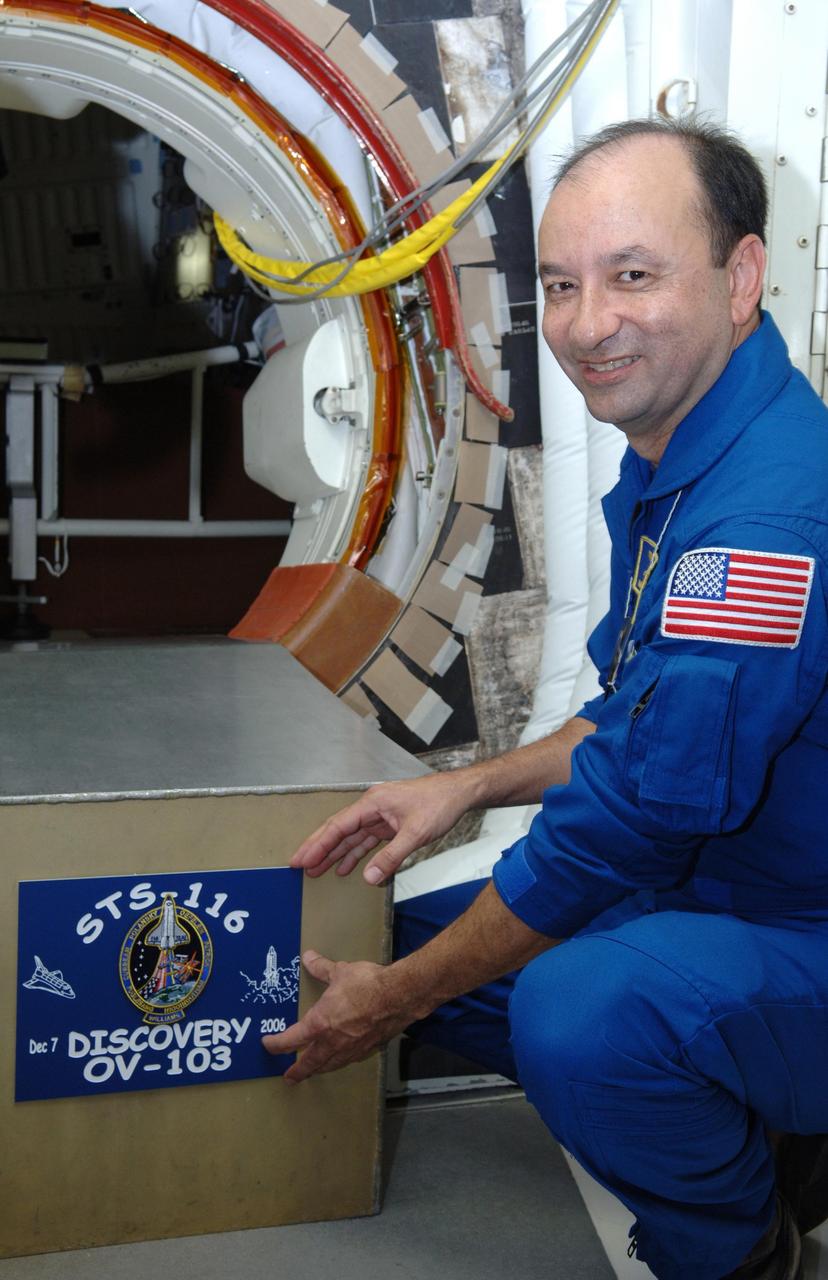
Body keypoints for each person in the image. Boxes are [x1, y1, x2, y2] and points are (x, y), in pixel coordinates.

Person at [265, 118, 828, 1280]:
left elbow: (633, 816)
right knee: (389, 935)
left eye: (633, 276)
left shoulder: (763, 525)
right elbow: (633, 715)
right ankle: (772, 1130)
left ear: (741, 276)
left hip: (801, 926)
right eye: (562, 285)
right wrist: (461, 786)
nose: (586, 325)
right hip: (721, 891)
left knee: (571, 1006)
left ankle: (735, 1248)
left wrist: (395, 1003)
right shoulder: (683, 449)